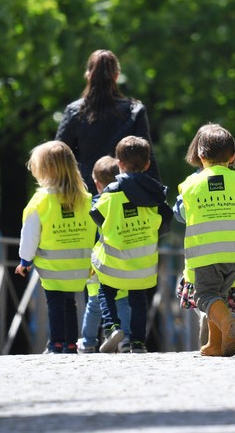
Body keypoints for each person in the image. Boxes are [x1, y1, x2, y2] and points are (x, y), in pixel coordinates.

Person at [174, 123, 235, 357]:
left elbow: (180, 214)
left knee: (205, 296)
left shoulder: (190, 185)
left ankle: (228, 323)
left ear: (200, 156)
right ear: (233, 156)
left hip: (205, 252)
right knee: (218, 295)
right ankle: (215, 344)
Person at [91, 136, 173, 354]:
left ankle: (112, 327)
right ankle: (137, 342)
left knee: (105, 290)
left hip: (114, 263)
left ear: (119, 163)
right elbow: (164, 223)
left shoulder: (111, 192)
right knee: (139, 301)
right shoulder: (155, 194)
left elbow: (96, 215)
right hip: (143, 265)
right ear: (147, 164)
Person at [15, 141, 95, 354]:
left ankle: (57, 343)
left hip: (52, 267)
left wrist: (25, 260)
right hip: (80, 266)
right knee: (70, 304)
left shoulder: (40, 200)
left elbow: (30, 234)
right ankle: (70, 343)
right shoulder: (86, 200)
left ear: (44, 170)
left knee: (56, 304)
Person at [56, 49, 160, 193]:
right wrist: (157, 195)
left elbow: (58, 157)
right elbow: (145, 156)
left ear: (88, 75)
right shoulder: (134, 110)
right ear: (116, 76)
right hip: (127, 193)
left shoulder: (74, 111)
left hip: (85, 194)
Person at [78, 155, 132, 354]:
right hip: (121, 260)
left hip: (97, 263)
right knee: (123, 301)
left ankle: (88, 341)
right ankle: (126, 338)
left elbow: (88, 234)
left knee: (94, 304)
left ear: (96, 182)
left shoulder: (91, 205)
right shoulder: (123, 202)